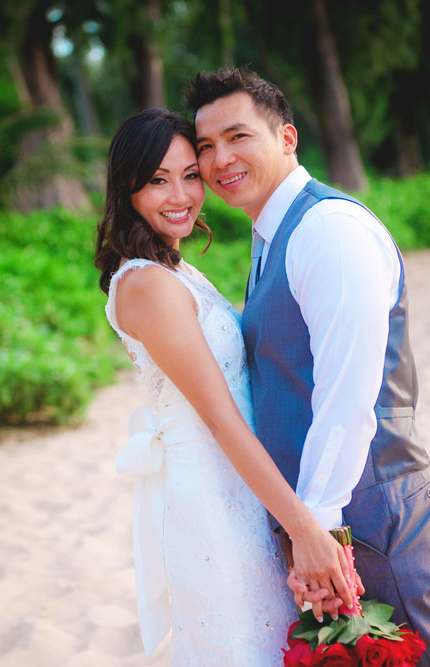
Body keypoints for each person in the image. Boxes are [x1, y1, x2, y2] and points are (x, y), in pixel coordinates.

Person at [186, 67, 430, 660]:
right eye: (206, 147)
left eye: (238, 136)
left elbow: (348, 395)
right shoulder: (270, 234)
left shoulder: (328, 229)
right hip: (326, 516)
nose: (221, 159)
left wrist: (318, 529)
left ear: (287, 138)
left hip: (369, 511)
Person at [95, 108, 354, 665]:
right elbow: (219, 419)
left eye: (191, 174)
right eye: (158, 180)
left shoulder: (175, 268)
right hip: (213, 499)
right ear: (128, 187)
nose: (181, 194)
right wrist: (304, 526)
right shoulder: (146, 285)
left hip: (242, 487)